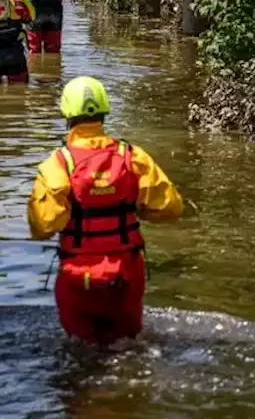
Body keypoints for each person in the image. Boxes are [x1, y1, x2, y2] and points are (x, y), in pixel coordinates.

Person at [27, 76, 184, 345]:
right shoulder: (133, 156)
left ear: (66, 113)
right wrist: (132, 209)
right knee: (129, 346)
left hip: (78, 278)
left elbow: (43, 226)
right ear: (104, 111)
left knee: (79, 352)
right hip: (126, 273)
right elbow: (171, 207)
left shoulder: (58, 164)